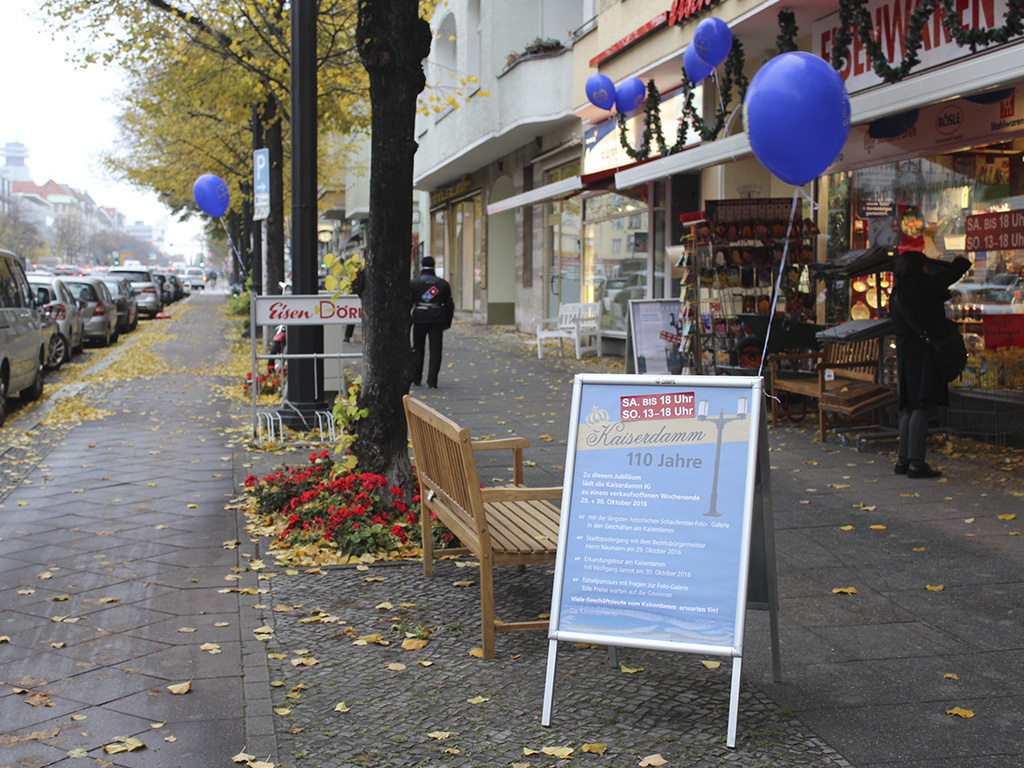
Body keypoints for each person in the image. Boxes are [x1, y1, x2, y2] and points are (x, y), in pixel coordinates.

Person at [889, 250, 970, 479]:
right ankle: (916, 462)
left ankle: (903, 460)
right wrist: (960, 261)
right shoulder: (921, 285)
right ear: (920, 267)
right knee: (921, 406)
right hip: (924, 354)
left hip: (907, 354)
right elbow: (948, 278)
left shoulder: (898, 290)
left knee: (910, 406)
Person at [410, 256, 454, 389]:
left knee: (417, 349)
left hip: (419, 318)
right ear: (434, 266)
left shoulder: (414, 283)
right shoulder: (442, 284)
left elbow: (407, 303)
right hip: (437, 318)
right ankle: (432, 381)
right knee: (435, 350)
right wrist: (448, 322)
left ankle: (416, 378)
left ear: (422, 265)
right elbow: (449, 305)